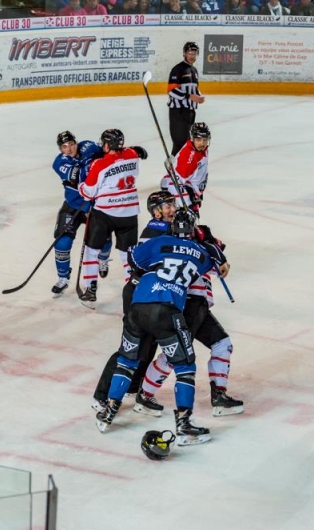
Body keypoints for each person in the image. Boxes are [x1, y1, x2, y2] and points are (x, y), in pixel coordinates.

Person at [95, 210, 228, 445]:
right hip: (167, 310)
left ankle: (108, 412)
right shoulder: (200, 252)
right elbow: (219, 262)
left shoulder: (159, 241)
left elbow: (134, 260)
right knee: (185, 366)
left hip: (138, 306)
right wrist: (206, 240)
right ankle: (185, 426)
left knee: (127, 361)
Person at [92, 190, 178, 413]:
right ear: (156, 212)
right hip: (137, 293)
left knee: (150, 341)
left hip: (151, 293)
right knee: (131, 345)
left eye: (173, 204)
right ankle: (102, 394)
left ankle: (132, 385)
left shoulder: (167, 227)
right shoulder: (157, 229)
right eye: (167, 206)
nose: (173, 209)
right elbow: (173, 239)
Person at [77, 129, 147, 308]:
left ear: (107, 145)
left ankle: (90, 291)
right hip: (130, 213)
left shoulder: (99, 164)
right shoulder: (132, 154)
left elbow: (89, 192)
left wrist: (81, 186)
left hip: (104, 214)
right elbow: (130, 154)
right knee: (127, 254)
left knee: (91, 251)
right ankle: (134, 294)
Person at [50, 131, 112, 297]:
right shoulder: (60, 162)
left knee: (104, 238)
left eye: (71, 144)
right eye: (64, 146)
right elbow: (79, 175)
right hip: (74, 204)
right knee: (62, 243)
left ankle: (103, 260)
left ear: (75, 142)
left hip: (96, 203)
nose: (69, 149)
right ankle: (63, 278)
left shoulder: (89, 146)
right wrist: (92, 162)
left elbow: (108, 152)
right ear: (60, 149)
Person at [162, 122, 210, 213]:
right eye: (198, 140)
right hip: (180, 194)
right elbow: (174, 183)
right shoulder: (189, 160)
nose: (202, 143)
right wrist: (188, 204)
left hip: (190, 190)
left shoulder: (201, 149)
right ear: (192, 139)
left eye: (205, 139)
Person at [167, 42, 205, 157]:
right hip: (178, 112)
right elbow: (171, 90)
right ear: (184, 53)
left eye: (194, 53)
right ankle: (173, 171)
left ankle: (182, 170)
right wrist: (189, 96)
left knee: (187, 143)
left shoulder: (194, 70)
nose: (192, 55)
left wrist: (199, 96)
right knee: (179, 144)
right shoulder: (178, 69)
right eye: (190, 53)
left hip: (190, 112)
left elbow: (194, 89)